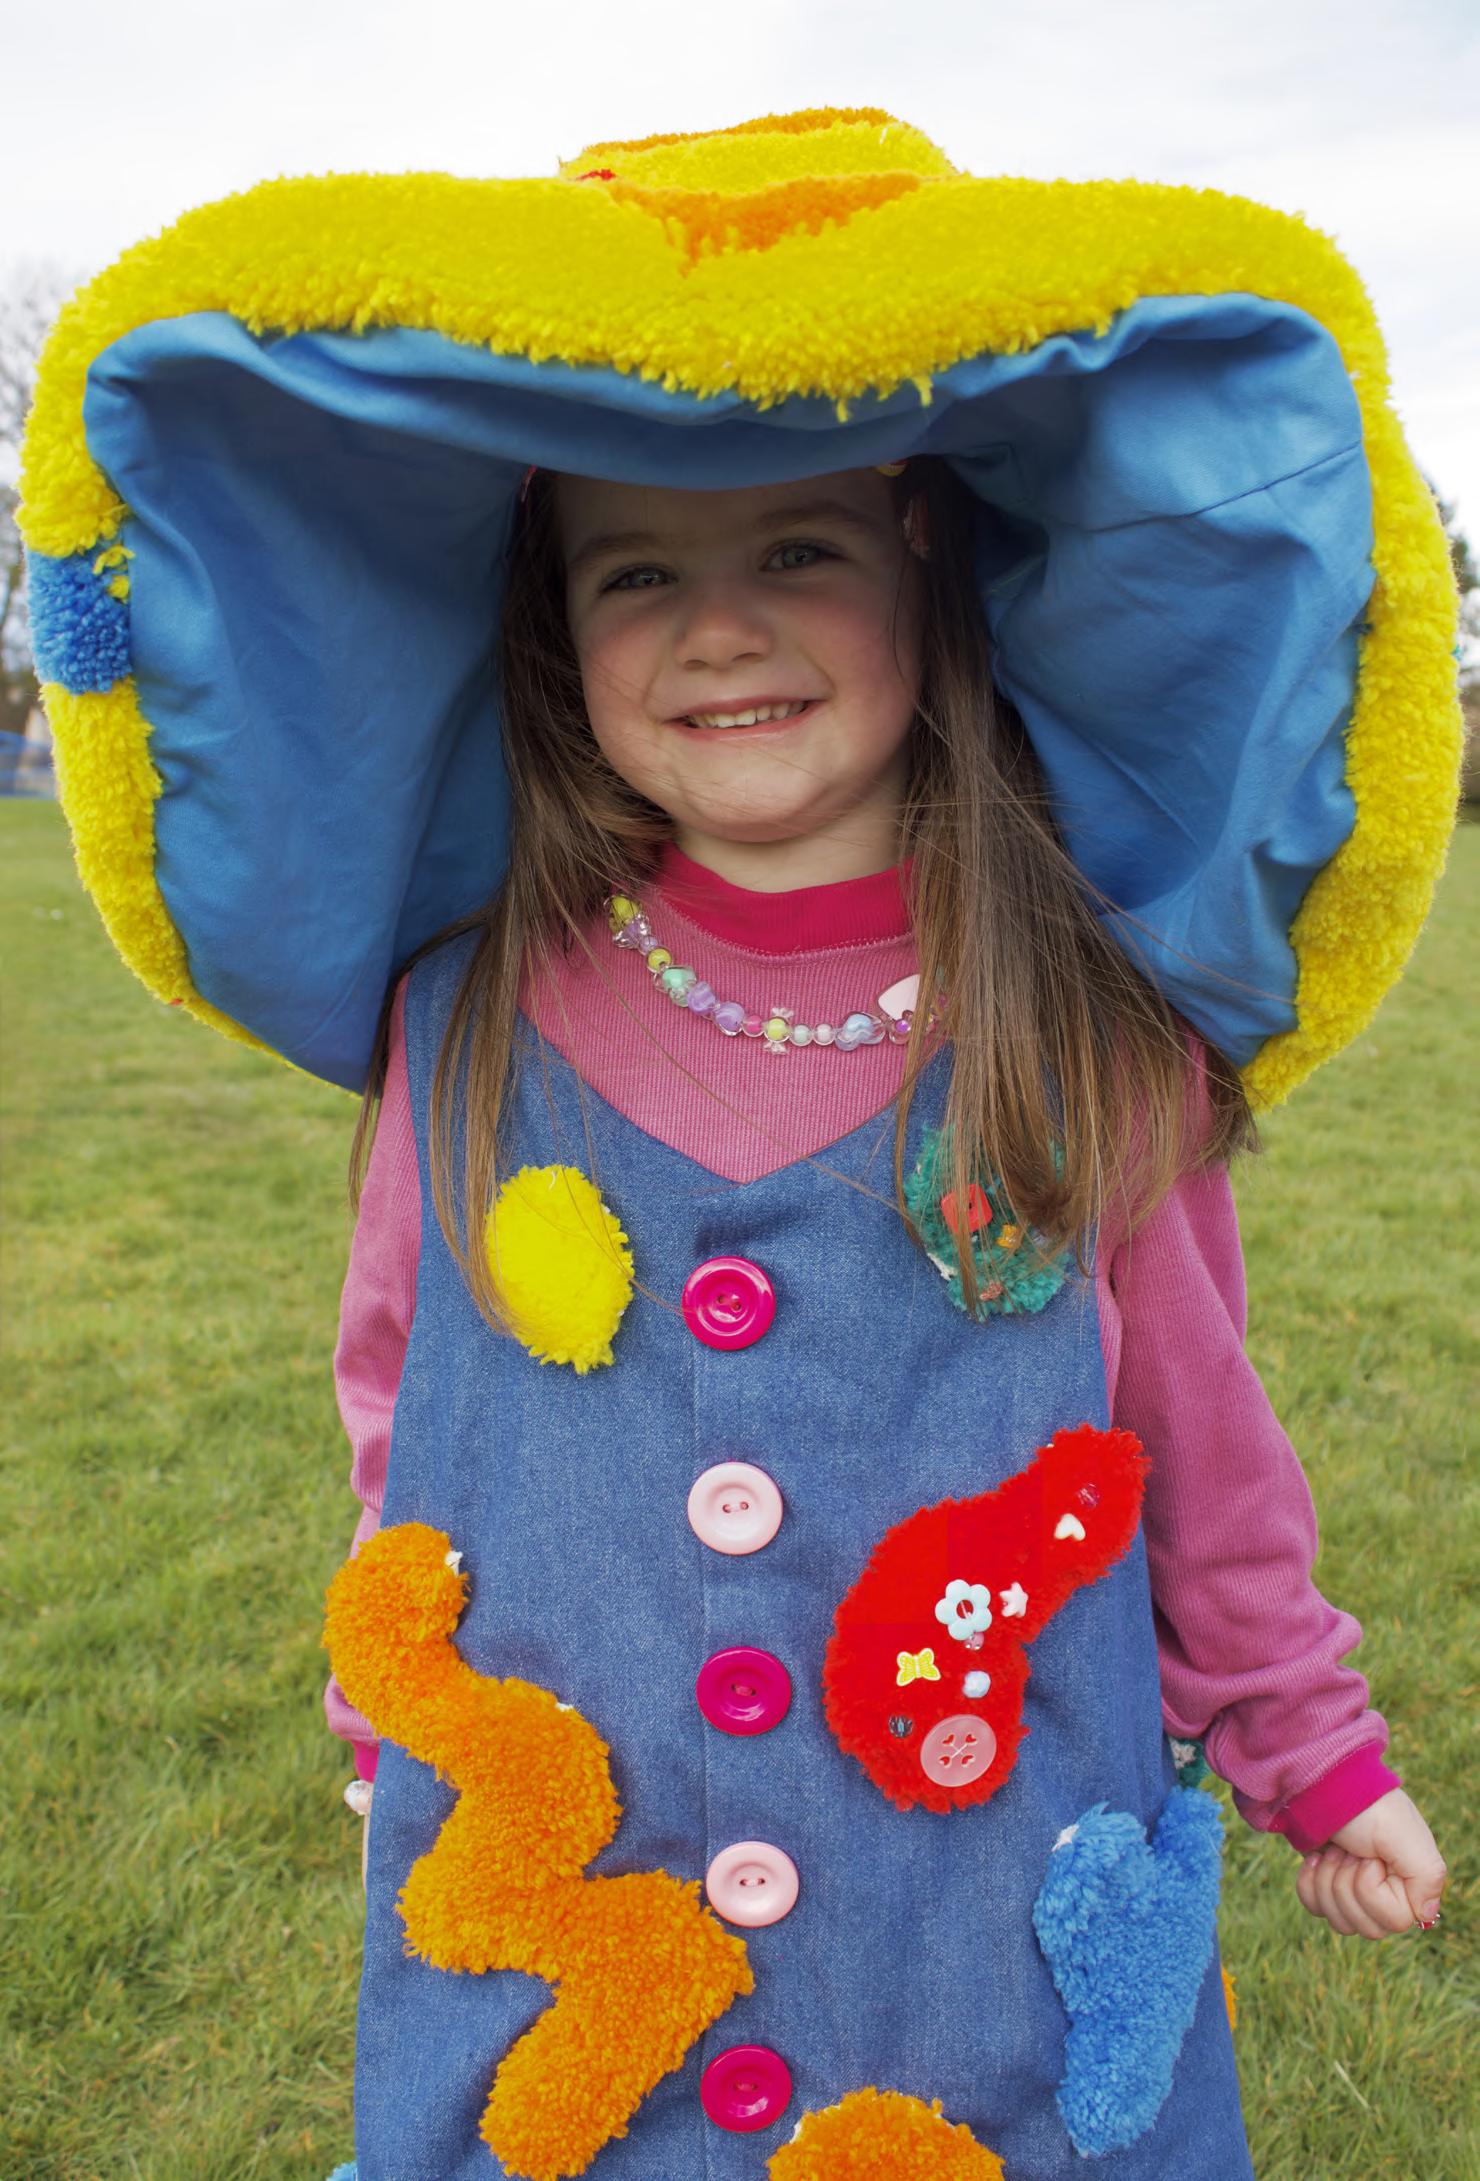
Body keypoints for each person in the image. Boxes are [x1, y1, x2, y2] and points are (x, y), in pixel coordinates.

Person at [20, 108, 1458, 2181]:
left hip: (974, 1951)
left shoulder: (1087, 1037)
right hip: (581, 1946)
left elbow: (1203, 1451)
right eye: (639, 572)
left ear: (923, 567)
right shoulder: (462, 1026)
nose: (718, 627)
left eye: (795, 549)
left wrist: (1311, 1751)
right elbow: (403, 1409)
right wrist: (396, 1718)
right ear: (553, 629)